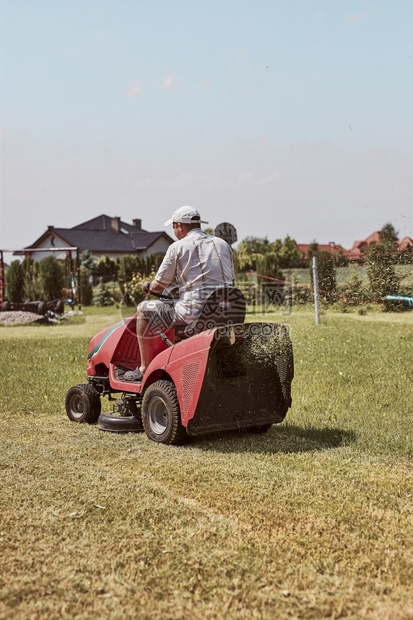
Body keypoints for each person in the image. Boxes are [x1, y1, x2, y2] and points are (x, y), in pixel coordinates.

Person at [124, 206, 235, 382]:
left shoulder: (177, 248)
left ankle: (144, 368)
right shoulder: (222, 244)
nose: (175, 232)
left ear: (180, 226)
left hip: (194, 314)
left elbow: (159, 285)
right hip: (228, 312)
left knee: (142, 310)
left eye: (174, 228)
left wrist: (148, 286)